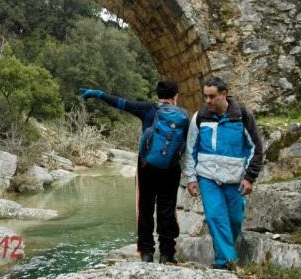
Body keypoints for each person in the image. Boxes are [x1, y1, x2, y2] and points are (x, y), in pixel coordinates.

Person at [80, 80, 189, 264]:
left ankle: (146, 253)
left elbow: (121, 103)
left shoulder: (147, 108)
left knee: (145, 208)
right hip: (171, 168)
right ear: (175, 96)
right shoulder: (183, 116)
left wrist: (99, 94)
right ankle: (167, 254)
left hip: (146, 167)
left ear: (158, 95)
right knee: (167, 209)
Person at [183, 76, 264, 270]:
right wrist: (192, 177)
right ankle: (227, 262)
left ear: (224, 95)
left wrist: (250, 177)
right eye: (205, 97)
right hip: (208, 177)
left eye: (212, 96)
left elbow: (256, 147)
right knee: (215, 216)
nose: (207, 101)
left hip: (235, 179)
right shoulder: (199, 117)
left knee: (235, 219)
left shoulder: (242, 116)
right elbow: (190, 149)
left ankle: (223, 257)